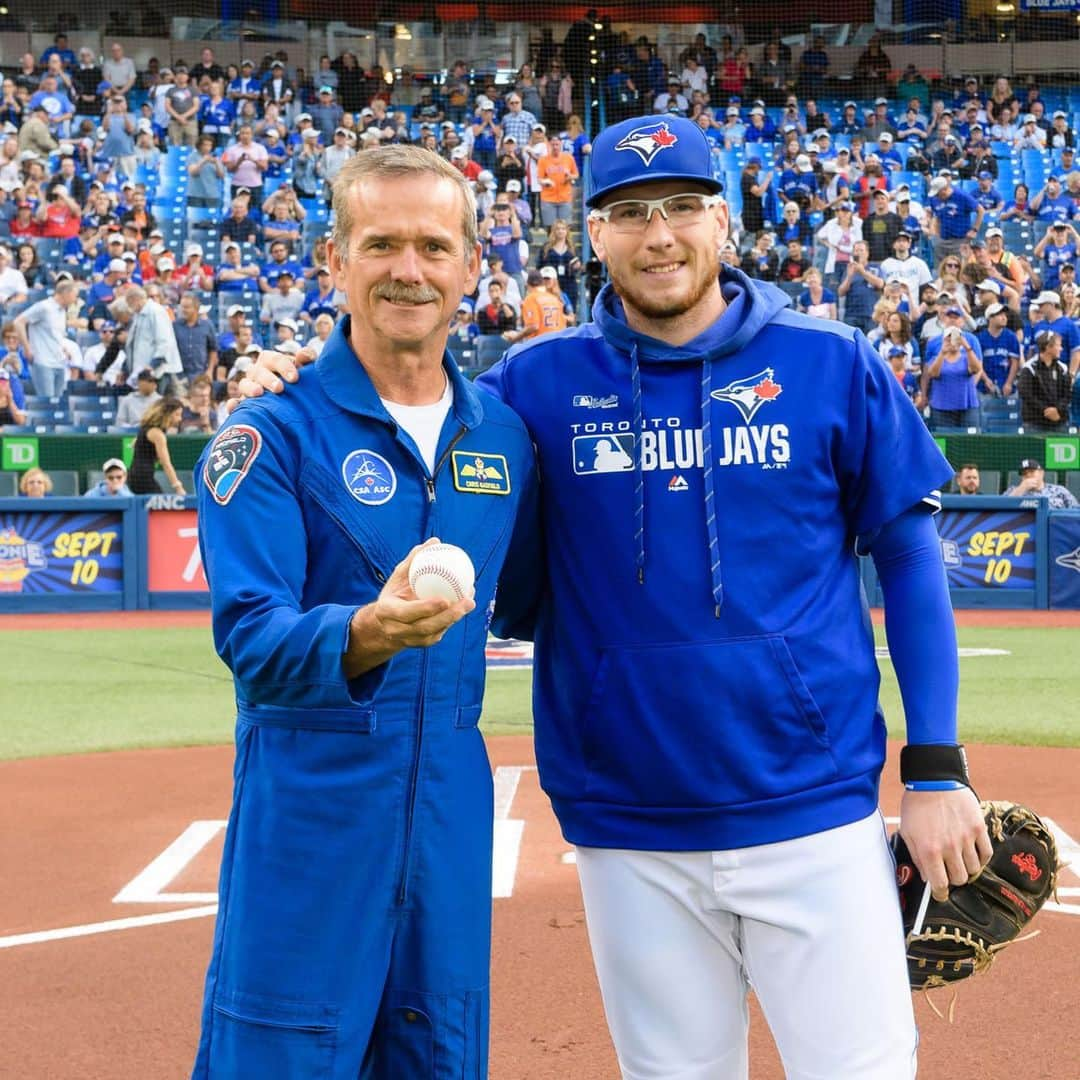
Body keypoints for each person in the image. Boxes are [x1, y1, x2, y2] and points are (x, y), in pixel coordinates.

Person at [242, 115, 991, 1080]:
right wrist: (295, 381)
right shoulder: (531, 386)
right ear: (594, 234)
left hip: (814, 810)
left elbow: (910, 555)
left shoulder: (831, 361)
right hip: (627, 827)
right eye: (630, 214)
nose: (660, 236)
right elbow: (410, 412)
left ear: (723, 221)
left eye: (683, 207)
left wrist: (934, 767)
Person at [190, 145, 540, 1079]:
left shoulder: (504, 433)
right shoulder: (269, 430)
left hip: (449, 814)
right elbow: (250, 637)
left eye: (434, 245)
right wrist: (367, 631)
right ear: (334, 262)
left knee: (440, 1056)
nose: (409, 270)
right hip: (309, 815)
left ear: (472, 266)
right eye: (381, 243)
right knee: (281, 1057)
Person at [13, 276, 77, 397]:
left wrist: (64, 349)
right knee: (47, 403)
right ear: (66, 293)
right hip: (43, 362)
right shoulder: (44, 307)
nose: (75, 299)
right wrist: (27, 348)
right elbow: (18, 322)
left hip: (59, 362)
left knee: (57, 404)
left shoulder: (63, 311)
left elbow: (55, 335)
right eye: (74, 295)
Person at [1016, 330, 1073, 432]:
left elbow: (1067, 394)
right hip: (1034, 423)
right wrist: (1045, 410)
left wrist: (1057, 410)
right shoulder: (1029, 368)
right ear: (1048, 347)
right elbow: (1026, 393)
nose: (1061, 349)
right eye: (1058, 345)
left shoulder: (1062, 368)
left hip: (1059, 421)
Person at [127, 396, 185, 495]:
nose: (180, 419)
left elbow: (135, 444)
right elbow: (166, 464)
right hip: (143, 478)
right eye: (177, 414)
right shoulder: (158, 435)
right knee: (159, 506)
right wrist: (178, 487)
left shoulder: (146, 428)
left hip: (134, 476)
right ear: (168, 414)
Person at [1005, 457, 1078, 508]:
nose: (1028, 475)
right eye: (1024, 473)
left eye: (1032, 471)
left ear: (1041, 473)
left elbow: (1075, 510)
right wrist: (1021, 489)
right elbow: (1000, 507)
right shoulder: (1013, 491)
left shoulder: (1059, 490)